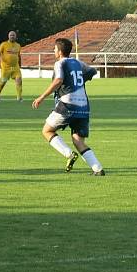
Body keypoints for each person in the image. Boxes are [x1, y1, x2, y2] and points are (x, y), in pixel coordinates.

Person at [32, 38, 105, 175]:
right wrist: (80, 79)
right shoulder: (77, 62)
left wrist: (41, 97)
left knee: (47, 131)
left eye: (54, 49)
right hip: (83, 107)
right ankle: (98, 169)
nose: (53, 51)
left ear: (59, 52)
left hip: (68, 104)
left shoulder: (60, 63)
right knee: (78, 140)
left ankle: (69, 154)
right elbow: (92, 71)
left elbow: (58, 80)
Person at [0, 31, 23, 101]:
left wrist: (20, 65)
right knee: (3, 82)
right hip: (6, 67)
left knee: (19, 80)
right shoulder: (4, 44)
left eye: (13, 35)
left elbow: (19, 56)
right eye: (11, 35)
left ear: (16, 37)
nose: (12, 36)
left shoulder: (18, 45)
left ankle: (19, 97)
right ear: (8, 36)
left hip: (15, 67)